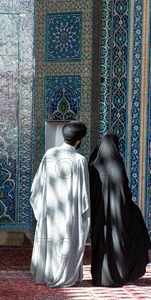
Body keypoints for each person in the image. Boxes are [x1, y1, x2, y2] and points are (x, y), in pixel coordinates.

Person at [30, 121, 91, 288]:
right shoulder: (79, 160)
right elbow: (85, 193)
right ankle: (63, 276)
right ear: (78, 141)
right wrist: (85, 216)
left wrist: (41, 208)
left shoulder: (49, 154)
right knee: (66, 243)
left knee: (50, 241)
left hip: (50, 210)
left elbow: (37, 187)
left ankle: (46, 274)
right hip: (69, 213)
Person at [88, 133, 151, 286]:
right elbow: (124, 192)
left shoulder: (92, 165)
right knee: (120, 240)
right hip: (118, 215)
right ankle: (119, 275)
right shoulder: (117, 164)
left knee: (101, 243)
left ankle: (100, 276)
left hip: (99, 216)